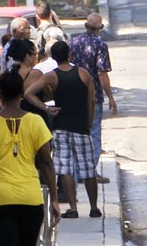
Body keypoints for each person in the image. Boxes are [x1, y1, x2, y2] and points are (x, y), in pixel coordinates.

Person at [0, 64, 60, 244]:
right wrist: (54, 199)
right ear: (21, 94)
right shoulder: (35, 122)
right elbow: (46, 163)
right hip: (29, 198)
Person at [24, 41, 103, 219]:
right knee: (88, 168)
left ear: (53, 57)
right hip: (81, 127)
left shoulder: (51, 76)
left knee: (66, 168)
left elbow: (28, 93)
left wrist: (45, 108)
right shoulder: (83, 74)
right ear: (70, 55)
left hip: (60, 128)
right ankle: (94, 207)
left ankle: (73, 207)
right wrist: (89, 123)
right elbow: (91, 101)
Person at [69, 13, 117, 181]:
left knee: (77, 133)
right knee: (94, 133)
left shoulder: (73, 42)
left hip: (74, 94)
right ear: (100, 28)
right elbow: (102, 73)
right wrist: (110, 96)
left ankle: (77, 171)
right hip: (93, 95)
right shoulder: (100, 45)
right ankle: (89, 172)